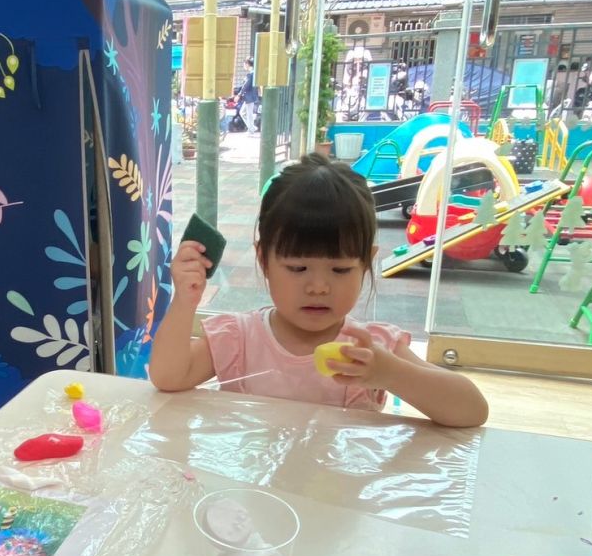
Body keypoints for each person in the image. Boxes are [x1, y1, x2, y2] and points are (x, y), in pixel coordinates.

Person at [148, 155, 489, 428]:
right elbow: (168, 377)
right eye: (298, 269)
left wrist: (390, 373)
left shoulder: (370, 348)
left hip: (338, 493)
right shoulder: (239, 339)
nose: (318, 287)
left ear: (366, 263)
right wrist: (185, 301)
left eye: (340, 270)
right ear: (264, 260)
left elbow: (472, 411)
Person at [235, 58, 260, 133]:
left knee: (248, 114)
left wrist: (239, 95)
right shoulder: (252, 73)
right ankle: (252, 127)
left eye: (244, 64)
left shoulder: (251, 74)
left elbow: (246, 86)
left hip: (249, 96)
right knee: (243, 113)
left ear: (247, 64)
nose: (243, 66)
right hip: (249, 97)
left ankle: (251, 129)